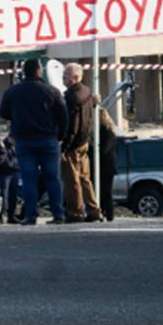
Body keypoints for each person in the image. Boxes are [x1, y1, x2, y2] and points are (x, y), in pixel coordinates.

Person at [0, 59, 68, 226]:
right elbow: (63, 117)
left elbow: (3, 113)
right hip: (48, 140)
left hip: (24, 141)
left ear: (24, 71)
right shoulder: (52, 92)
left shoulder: (13, 92)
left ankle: (30, 216)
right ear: (39, 71)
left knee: (29, 179)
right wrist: (60, 137)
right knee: (53, 178)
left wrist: (18, 117)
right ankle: (58, 214)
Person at [61, 63, 103, 223]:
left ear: (76, 78)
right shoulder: (87, 92)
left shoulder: (73, 98)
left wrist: (64, 148)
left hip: (73, 144)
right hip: (84, 141)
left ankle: (75, 213)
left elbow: (72, 126)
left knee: (72, 181)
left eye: (66, 75)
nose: (63, 77)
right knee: (85, 179)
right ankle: (94, 210)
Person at [96, 108, 116, 222]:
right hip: (106, 166)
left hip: (106, 166)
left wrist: (93, 149)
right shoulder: (109, 131)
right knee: (103, 191)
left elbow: (104, 149)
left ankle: (109, 214)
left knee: (106, 191)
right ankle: (103, 212)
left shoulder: (107, 132)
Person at [0, 134, 21, 224]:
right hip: (5, 173)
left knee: (13, 195)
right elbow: (5, 161)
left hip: (14, 173)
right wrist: (16, 165)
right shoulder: (3, 146)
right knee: (5, 195)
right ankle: (2, 214)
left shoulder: (17, 146)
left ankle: (11, 216)